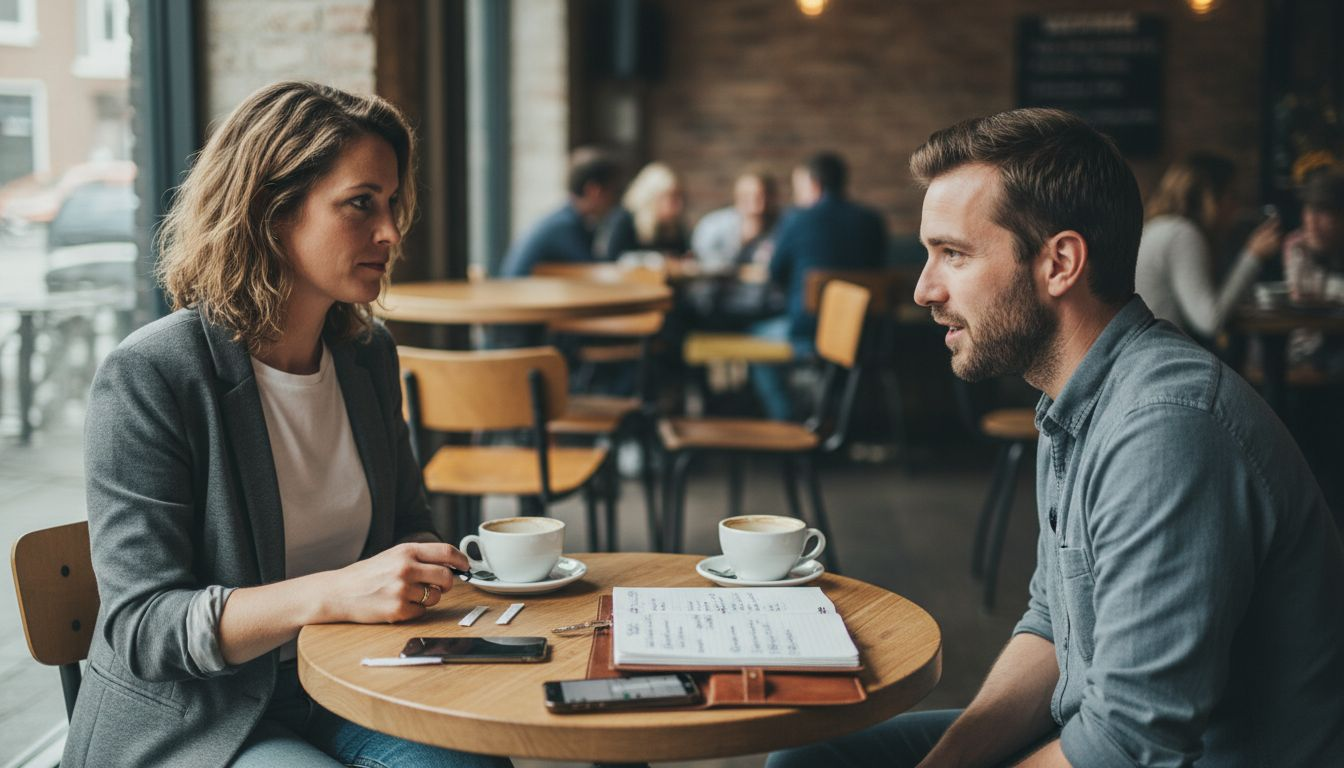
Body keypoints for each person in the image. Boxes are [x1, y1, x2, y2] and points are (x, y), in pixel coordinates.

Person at [769, 109, 1344, 767]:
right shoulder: (1074, 397)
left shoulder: (1166, 429)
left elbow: (1130, 745)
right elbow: (1052, 626)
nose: (926, 288)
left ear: (1060, 262)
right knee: (807, 764)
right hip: (1096, 727)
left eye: (953, 254)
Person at [64, 82, 512, 768]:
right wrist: (334, 592)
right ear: (273, 211)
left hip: (350, 678)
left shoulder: (367, 357)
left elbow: (406, 525)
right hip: (202, 719)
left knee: (472, 760)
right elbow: (141, 628)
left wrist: (426, 565)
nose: (390, 232)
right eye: (361, 204)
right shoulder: (152, 375)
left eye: (392, 205)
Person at [750, 151, 887, 420]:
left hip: (808, 333)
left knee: (756, 338)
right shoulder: (872, 221)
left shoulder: (796, 219)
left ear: (813, 185)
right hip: (867, 332)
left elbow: (775, 272)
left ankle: (787, 427)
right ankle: (835, 420)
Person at [1135, 152, 1281, 342]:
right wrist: (1253, 256)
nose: (1237, 206)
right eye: (1232, 195)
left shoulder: (1161, 226)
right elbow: (1211, 321)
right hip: (1162, 358)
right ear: (1209, 197)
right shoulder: (1182, 233)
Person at [498, 146, 632, 277]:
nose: (616, 200)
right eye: (614, 191)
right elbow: (592, 273)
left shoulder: (566, 219)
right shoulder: (564, 226)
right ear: (594, 191)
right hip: (522, 297)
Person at [1284, 167, 1344, 369]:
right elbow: (1299, 293)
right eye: (1309, 210)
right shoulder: (1296, 245)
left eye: (1323, 211)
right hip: (1304, 346)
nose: (1312, 221)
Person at [691, 169, 782, 270]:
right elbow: (702, 261)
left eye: (761, 196)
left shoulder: (779, 228)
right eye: (746, 196)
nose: (754, 202)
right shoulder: (713, 227)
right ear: (736, 196)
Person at [607, 161, 690, 256]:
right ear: (652, 197)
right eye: (672, 197)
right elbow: (611, 260)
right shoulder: (624, 221)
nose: (679, 204)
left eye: (680, 196)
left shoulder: (675, 227)